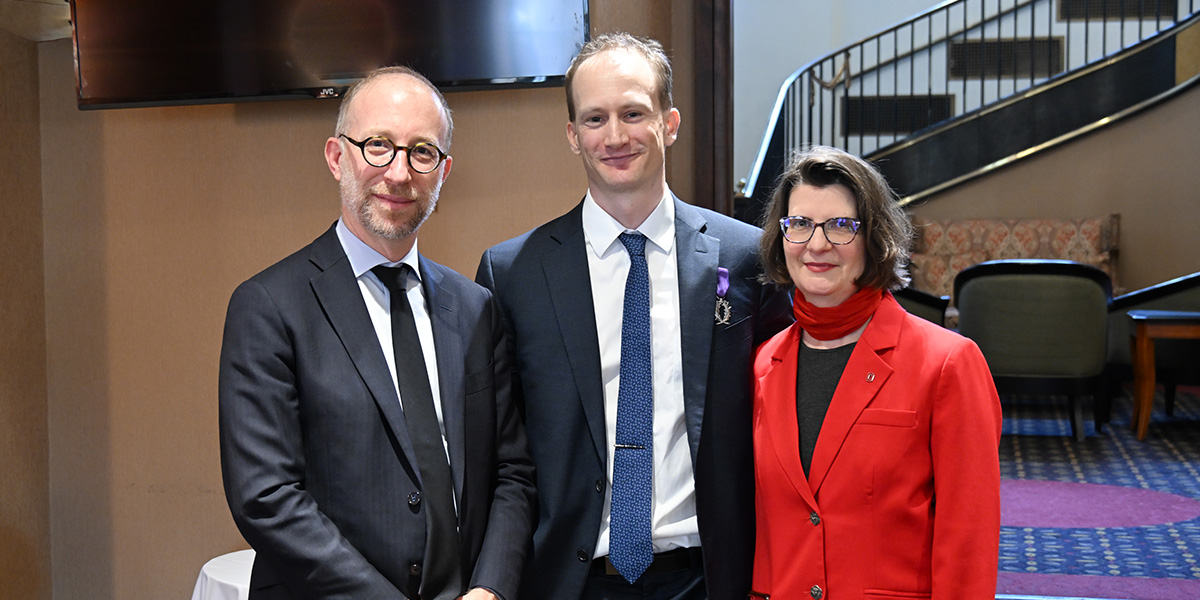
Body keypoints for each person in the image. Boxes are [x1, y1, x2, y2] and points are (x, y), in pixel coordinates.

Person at [475, 32, 793, 600]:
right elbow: (503, 458)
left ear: (669, 123)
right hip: (570, 583)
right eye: (594, 119)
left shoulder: (745, 257)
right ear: (572, 135)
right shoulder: (513, 273)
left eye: (633, 113)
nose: (615, 136)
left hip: (710, 577)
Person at [219, 66, 535, 600]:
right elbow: (266, 496)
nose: (398, 172)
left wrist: (490, 589)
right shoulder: (269, 306)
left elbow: (513, 474)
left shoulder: (476, 307)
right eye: (378, 146)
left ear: (443, 171)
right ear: (337, 156)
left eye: (421, 151)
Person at [750, 146, 1002, 599]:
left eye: (841, 226)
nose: (817, 244)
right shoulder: (764, 363)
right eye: (800, 224)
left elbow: (967, 540)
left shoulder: (947, 363)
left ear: (875, 239)